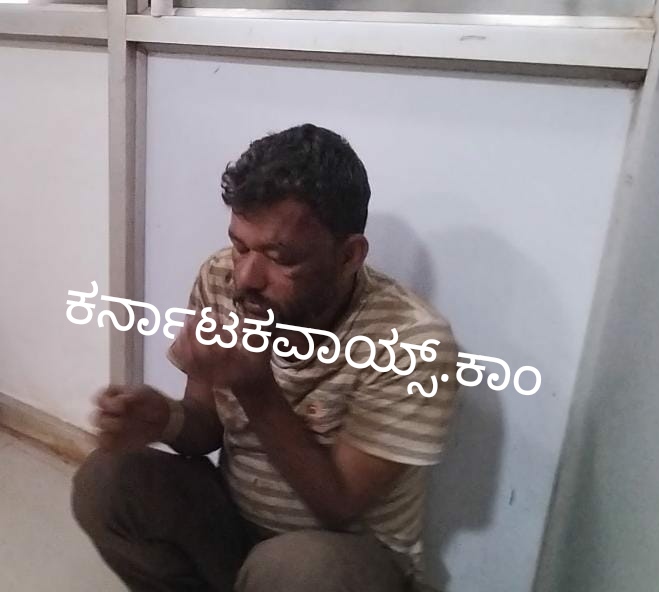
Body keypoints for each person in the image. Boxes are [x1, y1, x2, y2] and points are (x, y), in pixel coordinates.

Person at [71, 123, 458, 592]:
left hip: (344, 560)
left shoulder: (411, 341)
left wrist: (255, 388)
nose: (247, 278)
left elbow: (338, 506)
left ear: (349, 255)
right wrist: (165, 419)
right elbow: (204, 428)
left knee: (300, 569)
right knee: (108, 480)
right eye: (240, 245)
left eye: (280, 256)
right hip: (236, 528)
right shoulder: (221, 277)